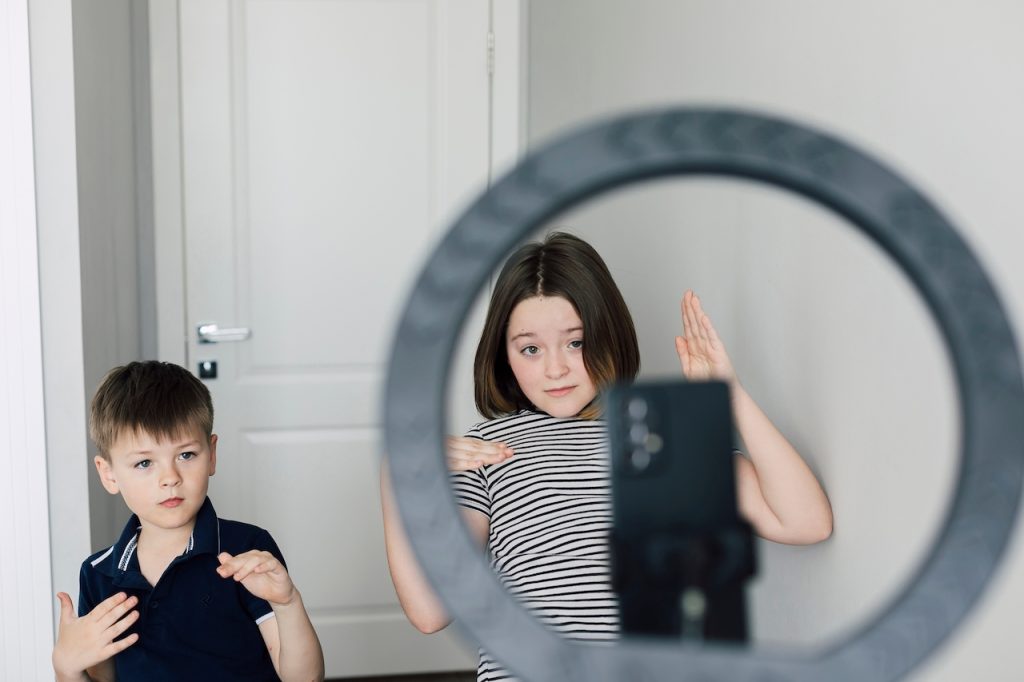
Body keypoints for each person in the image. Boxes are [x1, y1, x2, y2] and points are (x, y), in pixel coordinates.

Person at [381, 232, 833, 681]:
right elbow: (429, 610)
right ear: (505, 354)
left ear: (608, 334)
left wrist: (728, 394)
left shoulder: (665, 431)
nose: (555, 368)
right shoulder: (484, 448)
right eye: (531, 349)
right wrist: (396, 468)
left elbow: (805, 522)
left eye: (575, 343)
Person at [52, 361, 325, 682]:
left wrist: (288, 603)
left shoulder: (247, 552)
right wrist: (66, 667)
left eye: (185, 455)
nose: (170, 477)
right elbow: (103, 677)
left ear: (211, 455)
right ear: (109, 474)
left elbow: (305, 679)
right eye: (144, 462)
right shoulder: (99, 574)